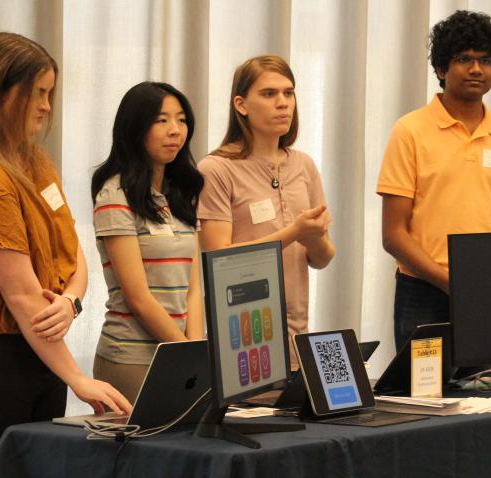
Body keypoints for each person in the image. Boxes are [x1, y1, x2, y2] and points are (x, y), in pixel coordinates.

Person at [0, 32, 132, 477]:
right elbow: (22, 296)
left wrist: (70, 302)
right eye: (38, 93)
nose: (47, 106)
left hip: (38, 354)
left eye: (50, 93)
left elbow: (73, 251)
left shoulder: (35, 164)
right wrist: (78, 378)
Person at [377, 10, 491, 349]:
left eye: (486, 60)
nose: (476, 69)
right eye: (464, 58)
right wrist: (451, 282)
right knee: (422, 398)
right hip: (421, 290)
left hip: (489, 289)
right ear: (441, 69)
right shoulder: (409, 131)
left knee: (490, 397)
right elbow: (393, 235)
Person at [197, 55, 334, 366]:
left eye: (289, 93)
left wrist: (313, 238)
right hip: (244, 335)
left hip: (296, 334)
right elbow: (218, 259)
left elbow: (323, 258)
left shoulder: (304, 165)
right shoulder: (217, 168)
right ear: (241, 105)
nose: (283, 103)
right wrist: (294, 232)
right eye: (269, 94)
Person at [90, 82, 205, 402]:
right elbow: (137, 298)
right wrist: (185, 353)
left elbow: (193, 288)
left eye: (181, 120)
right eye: (161, 120)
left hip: (180, 355)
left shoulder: (179, 194)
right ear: (135, 128)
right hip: (132, 360)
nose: (175, 130)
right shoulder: (115, 195)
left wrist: (194, 348)